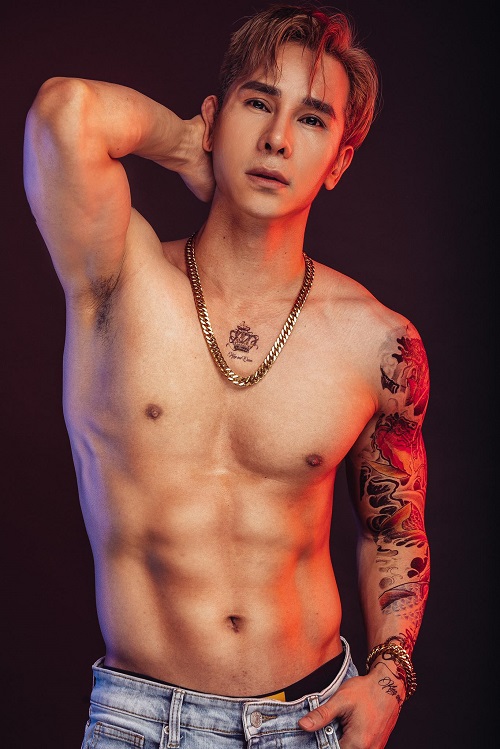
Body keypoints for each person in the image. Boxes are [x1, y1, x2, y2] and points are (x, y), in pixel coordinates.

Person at [23, 3, 430, 747]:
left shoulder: (378, 342)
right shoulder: (117, 279)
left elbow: (394, 529)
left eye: (312, 119)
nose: (277, 138)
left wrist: (389, 680)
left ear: (338, 162)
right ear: (216, 117)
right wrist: (184, 143)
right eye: (258, 103)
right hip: (140, 721)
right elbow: (65, 111)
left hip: (311, 720)